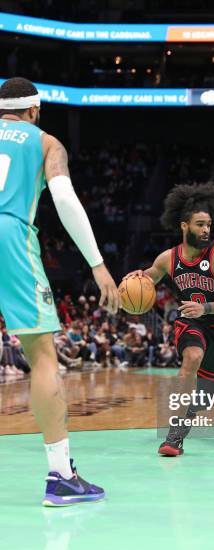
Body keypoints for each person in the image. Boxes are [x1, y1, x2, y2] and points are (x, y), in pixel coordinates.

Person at [0, 77, 119, 506]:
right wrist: (98, 264)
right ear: (34, 111)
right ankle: (61, 476)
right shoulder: (46, 142)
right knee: (42, 357)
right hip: (8, 235)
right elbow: (65, 200)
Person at [124, 182, 214, 456]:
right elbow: (147, 277)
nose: (206, 230)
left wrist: (207, 308)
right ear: (184, 225)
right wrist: (133, 281)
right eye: (200, 224)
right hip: (190, 321)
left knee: (205, 397)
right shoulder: (168, 258)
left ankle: (184, 422)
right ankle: (173, 436)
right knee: (192, 357)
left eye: (208, 224)